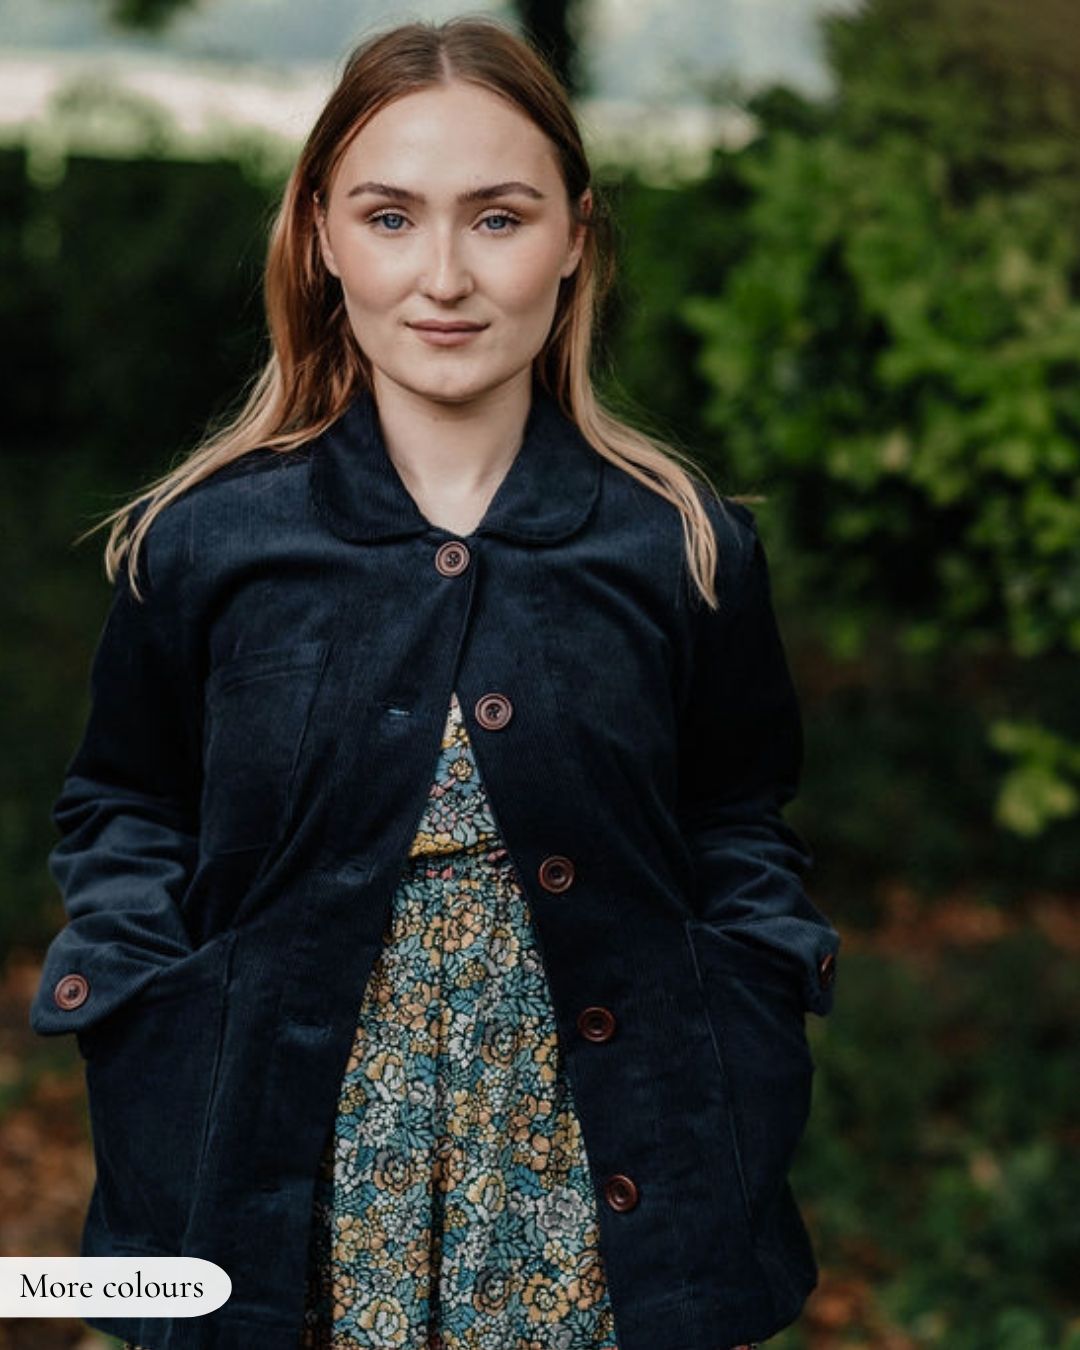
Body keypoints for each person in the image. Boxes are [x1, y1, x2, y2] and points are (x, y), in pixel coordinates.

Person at [29, 14, 841, 1350]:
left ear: (576, 236)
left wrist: (752, 1010)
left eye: (500, 217)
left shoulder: (681, 543)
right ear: (320, 235)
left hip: (596, 1183)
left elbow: (740, 821)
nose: (447, 276)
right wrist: (143, 1015)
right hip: (270, 1178)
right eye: (392, 216)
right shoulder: (207, 540)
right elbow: (124, 803)